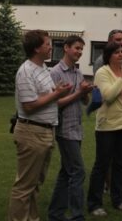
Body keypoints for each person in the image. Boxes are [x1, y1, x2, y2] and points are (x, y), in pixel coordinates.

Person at [10, 30, 73, 221]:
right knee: (24, 186)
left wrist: (60, 94)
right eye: (48, 44)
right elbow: (29, 106)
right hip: (31, 131)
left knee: (36, 183)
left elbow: (49, 100)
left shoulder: (44, 68)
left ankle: (32, 218)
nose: (51, 47)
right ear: (37, 48)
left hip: (45, 132)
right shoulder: (26, 71)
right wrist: (56, 94)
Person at [88, 41, 122, 216]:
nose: (121, 54)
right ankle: (95, 204)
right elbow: (108, 96)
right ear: (108, 55)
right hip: (107, 127)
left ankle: (118, 199)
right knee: (102, 165)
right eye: (117, 52)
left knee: (120, 164)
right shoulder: (102, 73)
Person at [48, 35, 93, 221]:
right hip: (64, 130)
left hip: (76, 128)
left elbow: (84, 101)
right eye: (77, 48)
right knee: (78, 171)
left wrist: (85, 93)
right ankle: (77, 216)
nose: (80, 52)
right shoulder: (55, 73)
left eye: (82, 49)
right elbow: (55, 103)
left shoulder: (77, 72)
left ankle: (55, 214)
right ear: (66, 48)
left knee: (67, 172)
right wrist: (79, 93)